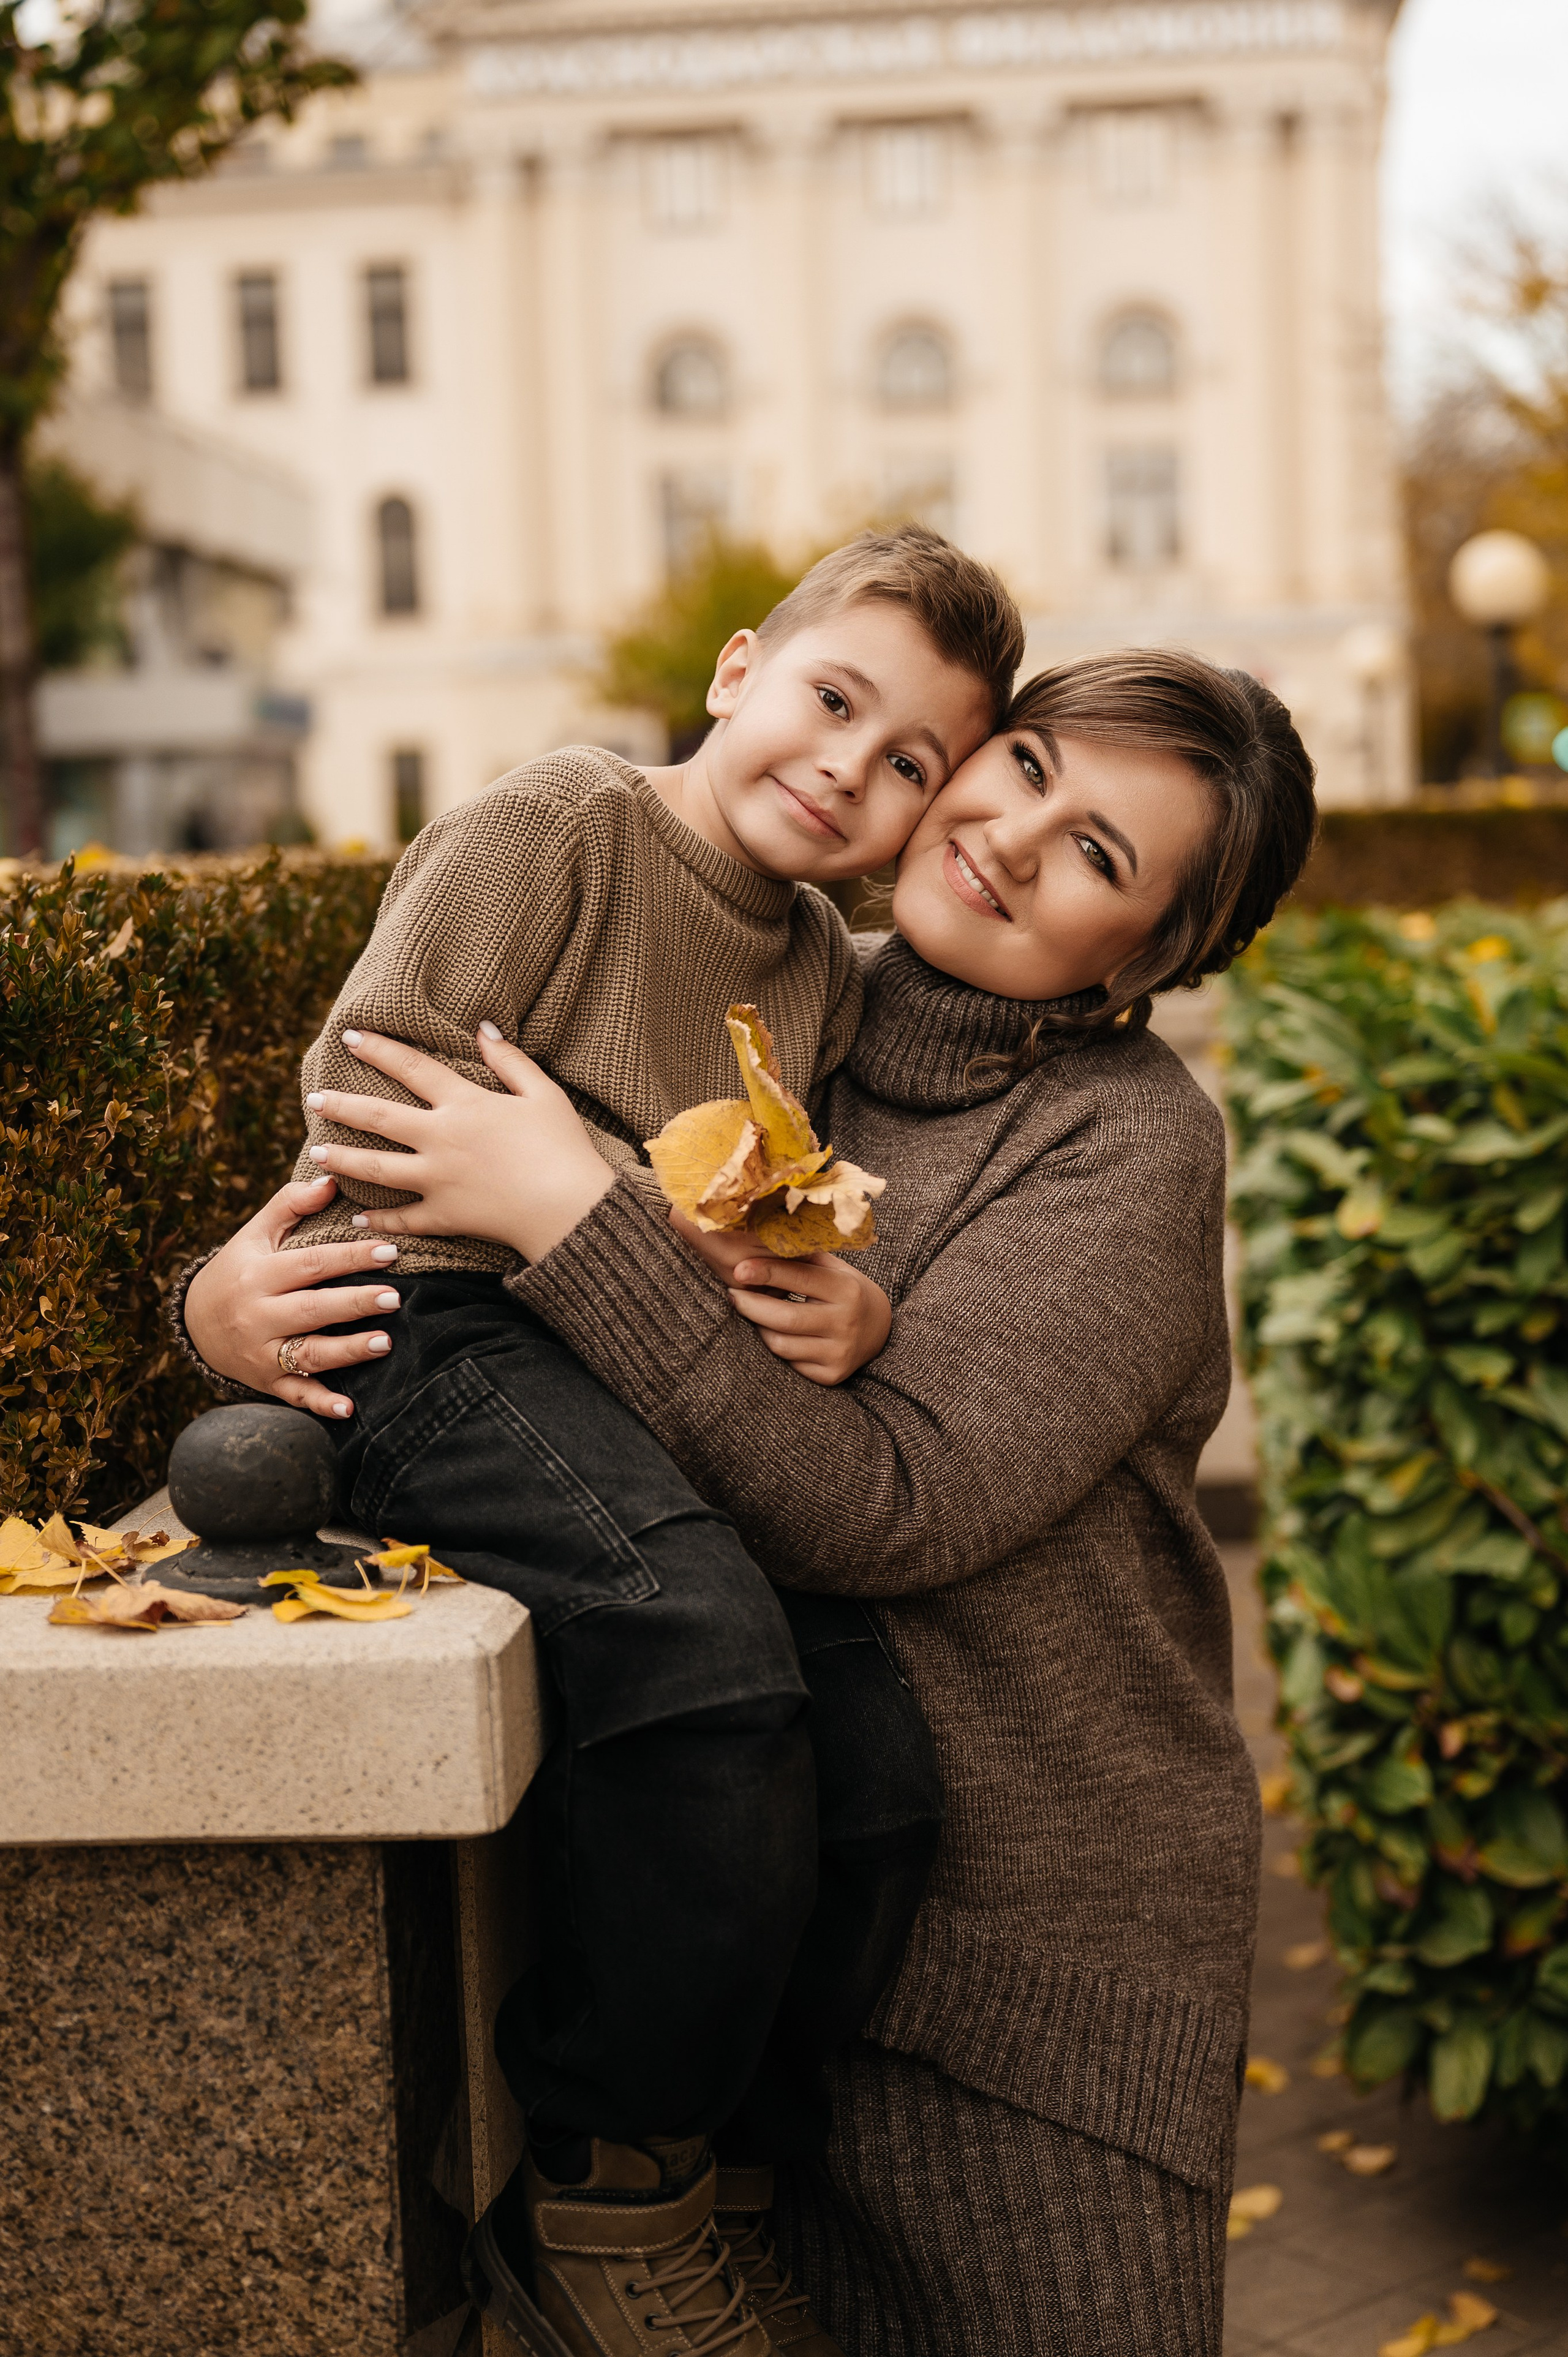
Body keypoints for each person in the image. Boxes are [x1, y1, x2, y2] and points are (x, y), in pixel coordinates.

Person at [186, 648, 1317, 2354]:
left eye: (1100, 854)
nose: (1013, 837)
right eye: (1021, 767)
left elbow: (889, 1506)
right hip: (743, 1950)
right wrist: (220, 1309)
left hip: (1029, 1965)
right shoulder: (778, 999)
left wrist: (582, 1214)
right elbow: (426, 1242)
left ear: (1139, 967)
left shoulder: (1129, 1144)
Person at [179, 527, 1021, 2357]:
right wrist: (223, 1299)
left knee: (879, 1762)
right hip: (437, 1325)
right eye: (832, 702)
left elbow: (756, 1214)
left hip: (625, 1359)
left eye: (908, 767)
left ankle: (724, 2180)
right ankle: (600, 2187)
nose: (849, 770)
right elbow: (376, 1096)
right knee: (693, 1657)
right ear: (739, 672)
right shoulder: (564, 825)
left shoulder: (810, 951)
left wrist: (835, 1292)